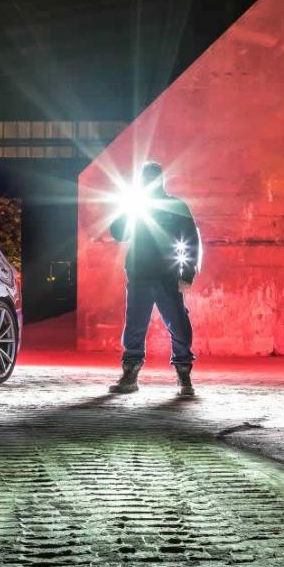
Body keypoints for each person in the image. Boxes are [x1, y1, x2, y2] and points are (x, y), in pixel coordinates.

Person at [108, 162, 201, 395]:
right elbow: (118, 233)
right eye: (145, 179)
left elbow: (191, 240)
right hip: (139, 275)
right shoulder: (136, 206)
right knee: (134, 327)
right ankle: (130, 375)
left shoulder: (176, 206)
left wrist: (187, 274)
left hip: (167, 276)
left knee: (179, 324)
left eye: (152, 179)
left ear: (160, 180)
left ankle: (184, 375)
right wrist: (128, 208)